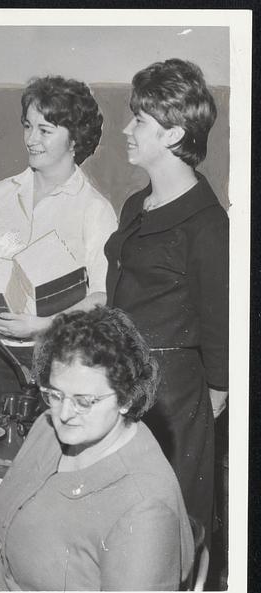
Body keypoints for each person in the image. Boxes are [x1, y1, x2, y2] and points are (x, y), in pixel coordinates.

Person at [0, 307, 194, 591]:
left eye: (84, 401)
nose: (64, 413)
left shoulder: (145, 508)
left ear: (126, 398)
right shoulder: (48, 428)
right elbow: (5, 518)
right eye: (55, 394)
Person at [104, 59, 228, 545]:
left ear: (174, 135)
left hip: (172, 400)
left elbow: (221, 330)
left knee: (161, 531)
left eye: (139, 121)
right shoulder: (136, 205)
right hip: (122, 382)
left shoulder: (208, 226)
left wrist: (208, 401)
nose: (126, 129)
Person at [0, 75, 117, 409]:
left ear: (75, 139)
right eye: (27, 126)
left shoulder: (95, 210)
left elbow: (102, 296)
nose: (31, 139)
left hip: (56, 362)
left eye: (45, 131)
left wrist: (41, 326)